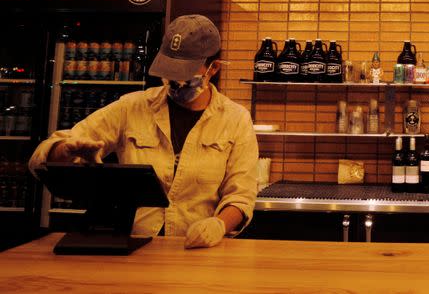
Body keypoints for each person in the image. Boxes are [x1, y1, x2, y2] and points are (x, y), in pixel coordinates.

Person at [29, 15, 258, 249]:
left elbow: (240, 195)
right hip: (135, 248)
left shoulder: (235, 119)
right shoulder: (131, 107)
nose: (176, 81)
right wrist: (64, 151)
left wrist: (218, 225)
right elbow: (41, 158)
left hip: (198, 252)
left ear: (213, 68)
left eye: (186, 74)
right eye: (170, 72)